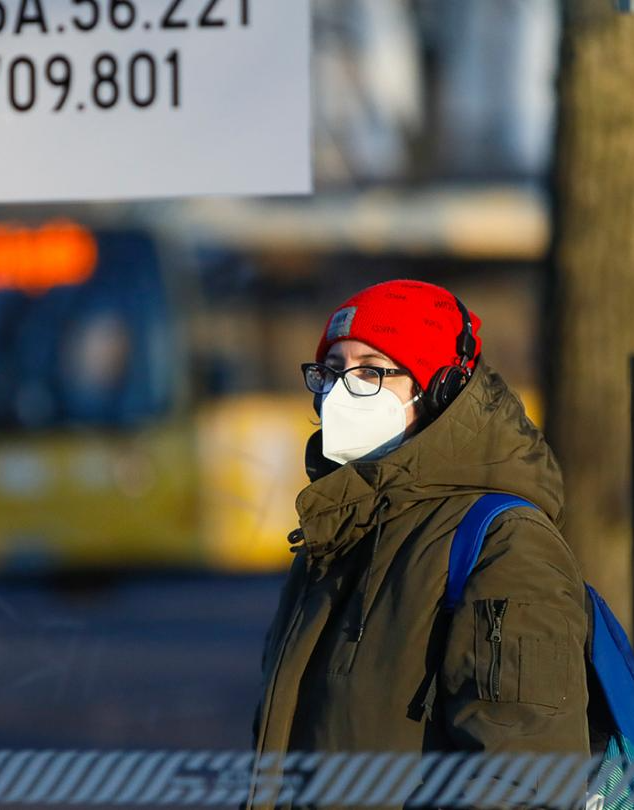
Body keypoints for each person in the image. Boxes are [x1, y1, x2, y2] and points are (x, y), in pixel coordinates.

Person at [247, 279, 590, 808]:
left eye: (369, 372)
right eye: (332, 372)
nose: (339, 393)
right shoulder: (336, 534)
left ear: (441, 390)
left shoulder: (505, 545)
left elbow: (526, 782)